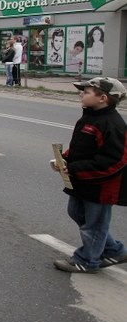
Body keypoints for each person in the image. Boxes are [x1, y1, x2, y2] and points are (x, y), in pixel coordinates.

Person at [50, 77, 127, 273]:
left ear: (103, 98)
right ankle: (114, 250)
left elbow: (114, 161)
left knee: (94, 223)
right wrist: (65, 160)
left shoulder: (113, 124)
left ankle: (87, 260)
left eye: (87, 91)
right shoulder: (89, 117)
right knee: (76, 212)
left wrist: (76, 168)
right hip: (82, 180)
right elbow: (81, 148)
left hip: (102, 186)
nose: (81, 94)